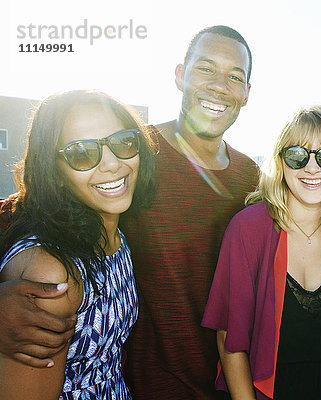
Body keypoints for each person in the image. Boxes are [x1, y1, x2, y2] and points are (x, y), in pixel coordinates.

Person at [0, 25, 259, 399]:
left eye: (234, 76)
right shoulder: (133, 151)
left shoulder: (249, 175)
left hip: (219, 380)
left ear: (246, 93)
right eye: (205, 68)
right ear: (179, 75)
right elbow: (22, 214)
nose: (219, 85)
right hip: (144, 385)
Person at [0, 89, 157, 399]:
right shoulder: (50, 274)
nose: (112, 164)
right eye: (82, 152)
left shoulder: (116, 238)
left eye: (123, 142)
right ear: (55, 172)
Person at [202, 105, 321, 400]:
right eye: (297, 155)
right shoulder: (249, 228)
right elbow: (229, 338)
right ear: (280, 161)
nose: (312, 168)